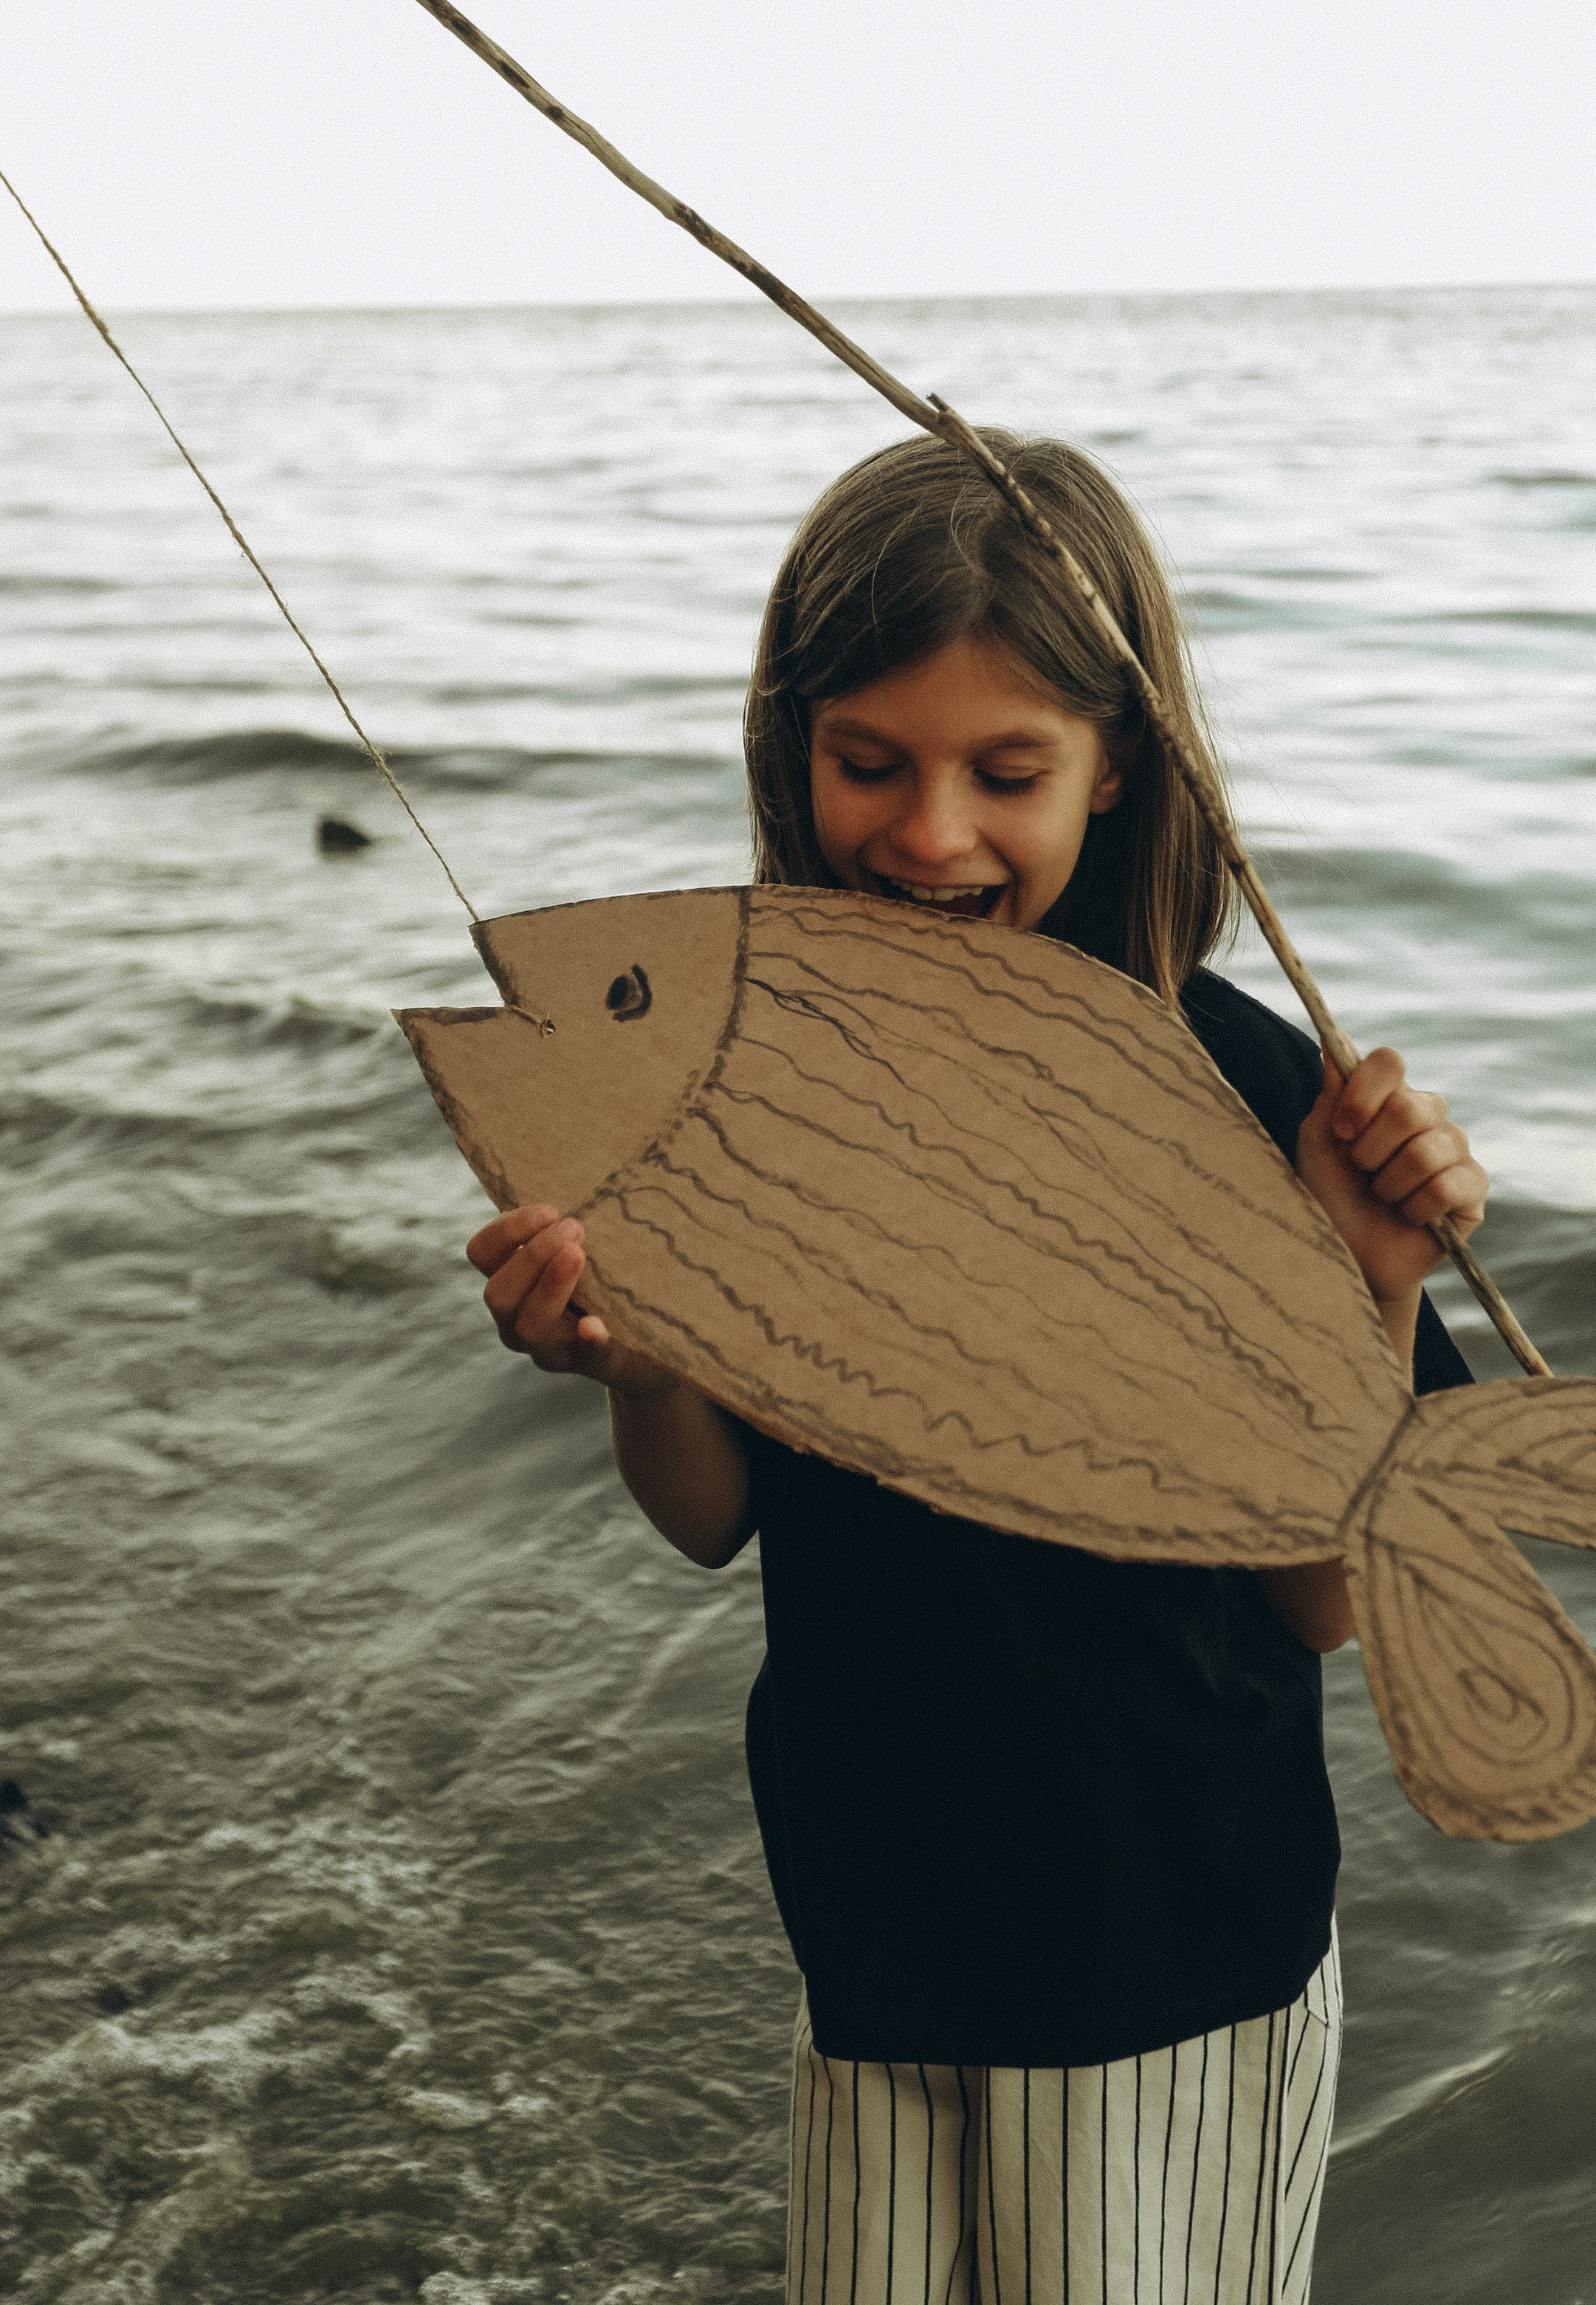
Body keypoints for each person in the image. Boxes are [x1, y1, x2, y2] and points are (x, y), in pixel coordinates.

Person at [466, 433, 1488, 2304]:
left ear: (1120, 769)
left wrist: (1362, 1271)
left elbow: (1328, 1603)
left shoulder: (1244, 1097)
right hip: (873, 1941)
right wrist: (636, 1362)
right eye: (869, 762)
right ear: (790, 752)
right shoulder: (752, 1089)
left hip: (1164, 1965)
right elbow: (710, 1522)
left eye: (1004, 772)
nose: (929, 832)